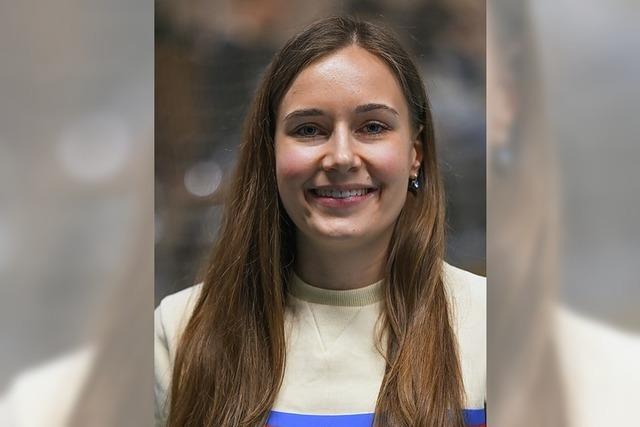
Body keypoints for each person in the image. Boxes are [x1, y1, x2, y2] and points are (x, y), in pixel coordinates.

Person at [155, 16, 485, 427]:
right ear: (270, 153)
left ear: (414, 154)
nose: (341, 157)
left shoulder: (495, 325)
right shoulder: (180, 330)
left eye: (373, 127)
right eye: (309, 129)